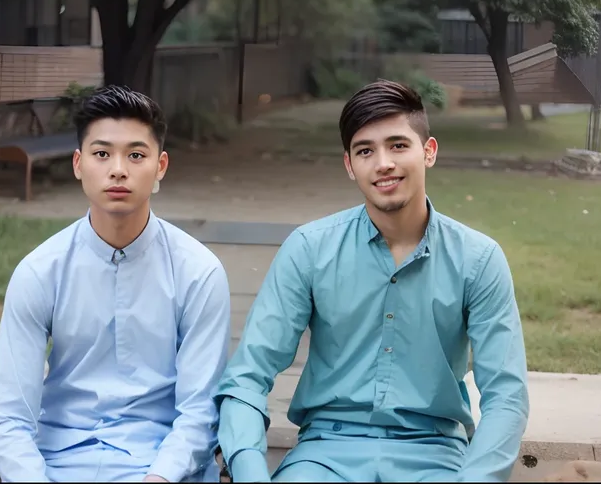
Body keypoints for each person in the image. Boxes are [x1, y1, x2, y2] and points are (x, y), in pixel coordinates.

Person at [215, 80, 529, 483]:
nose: (383, 163)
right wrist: (249, 471)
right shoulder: (309, 248)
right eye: (366, 150)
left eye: (398, 145)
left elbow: (507, 395)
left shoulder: (479, 259)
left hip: (435, 454)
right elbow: (248, 376)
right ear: (349, 165)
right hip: (324, 455)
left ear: (428, 152)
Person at [0, 85, 231, 483]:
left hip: (161, 465)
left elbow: (200, 410)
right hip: (59, 461)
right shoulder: (39, 271)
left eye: (136, 155)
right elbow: (9, 414)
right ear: (79, 164)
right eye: (102, 154)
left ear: (161, 166)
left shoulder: (198, 272)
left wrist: (160, 477)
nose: (118, 169)